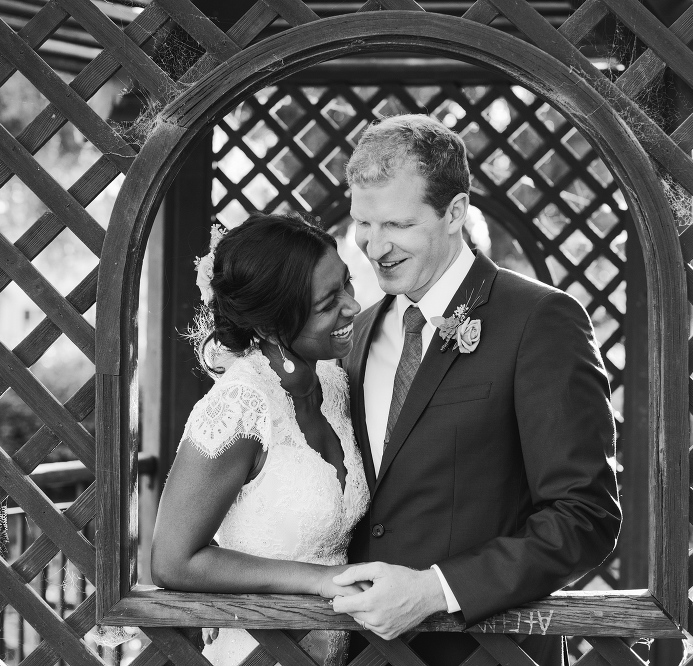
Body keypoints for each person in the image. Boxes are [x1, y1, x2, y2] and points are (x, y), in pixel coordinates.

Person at [332, 114, 623, 666]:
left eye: (397, 224)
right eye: (362, 224)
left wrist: (436, 590)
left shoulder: (541, 319)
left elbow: (584, 516)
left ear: (455, 214)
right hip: (362, 653)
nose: (374, 246)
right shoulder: (360, 333)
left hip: (488, 653)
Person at [150, 212, 370, 666]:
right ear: (272, 327)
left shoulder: (333, 382)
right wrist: (319, 579)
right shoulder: (239, 406)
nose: (353, 306)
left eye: (346, 284)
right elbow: (174, 560)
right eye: (329, 303)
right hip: (260, 652)